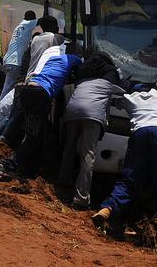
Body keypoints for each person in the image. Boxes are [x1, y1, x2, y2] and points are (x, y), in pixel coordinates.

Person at [93, 84, 157, 252]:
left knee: (129, 178)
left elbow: (113, 102)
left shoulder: (130, 98)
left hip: (139, 133)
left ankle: (107, 209)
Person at [0, 44, 82, 181]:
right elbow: (83, 66)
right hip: (41, 94)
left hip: (28, 89)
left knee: (34, 132)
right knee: (34, 136)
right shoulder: (72, 58)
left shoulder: (52, 59)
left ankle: (26, 168)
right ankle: (11, 165)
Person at [57, 52, 125, 209]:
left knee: (69, 148)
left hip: (72, 111)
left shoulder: (82, 77)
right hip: (93, 115)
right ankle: (81, 197)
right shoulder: (110, 80)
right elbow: (124, 91)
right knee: (88, 155)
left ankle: (63, 182)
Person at [1, 11, 38, 100]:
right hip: (15, 62)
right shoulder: (28, 24)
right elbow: (43, 20)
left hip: (8, 61)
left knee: (8, 88)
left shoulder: (20, 26)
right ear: (32, 19)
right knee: (8, 90)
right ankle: (0, 110)